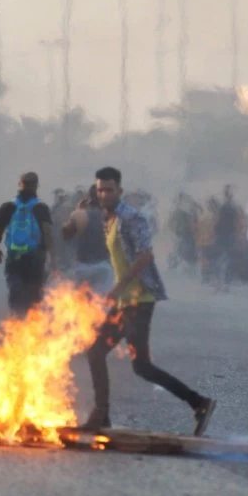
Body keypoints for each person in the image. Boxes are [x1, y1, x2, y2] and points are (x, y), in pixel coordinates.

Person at [81, 166, 215, 435]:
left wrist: (119, 287)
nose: (104, 194)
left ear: (120, 190)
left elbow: (146, 256)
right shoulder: (108, 218)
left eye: (109, 189)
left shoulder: (132, 217)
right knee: (97, 352)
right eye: (100, 190)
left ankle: (199, 403)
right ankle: (101, 414)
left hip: (139, 299)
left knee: (140, 365)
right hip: (125, 302)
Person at [0, 172, 55, 317]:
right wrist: (53, 257)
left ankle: (17, 323)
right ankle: (32, 328)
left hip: (14, 258)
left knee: (16, 293)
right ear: (36, 186)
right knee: (35, 295)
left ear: (20, 184)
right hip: (36, 258)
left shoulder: (8, 207)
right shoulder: (41, 208)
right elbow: (47, 234)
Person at [61, 187, 114, 296]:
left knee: (81, 303)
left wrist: (77, 211)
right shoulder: (112, 216)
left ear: (89, 198)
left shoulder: (79, 214)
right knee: (101, 304)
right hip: (104, 267)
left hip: (82, 267)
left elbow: (65, 235)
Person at [214, 186, 240, 288]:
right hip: (230, 234)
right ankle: (225, 282)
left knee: (221, 258)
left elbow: (217, 222)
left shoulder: (222, 208)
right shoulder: (233, 208)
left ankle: (220, 281)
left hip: (222, 235)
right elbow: (236, 222)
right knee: (228, 258)